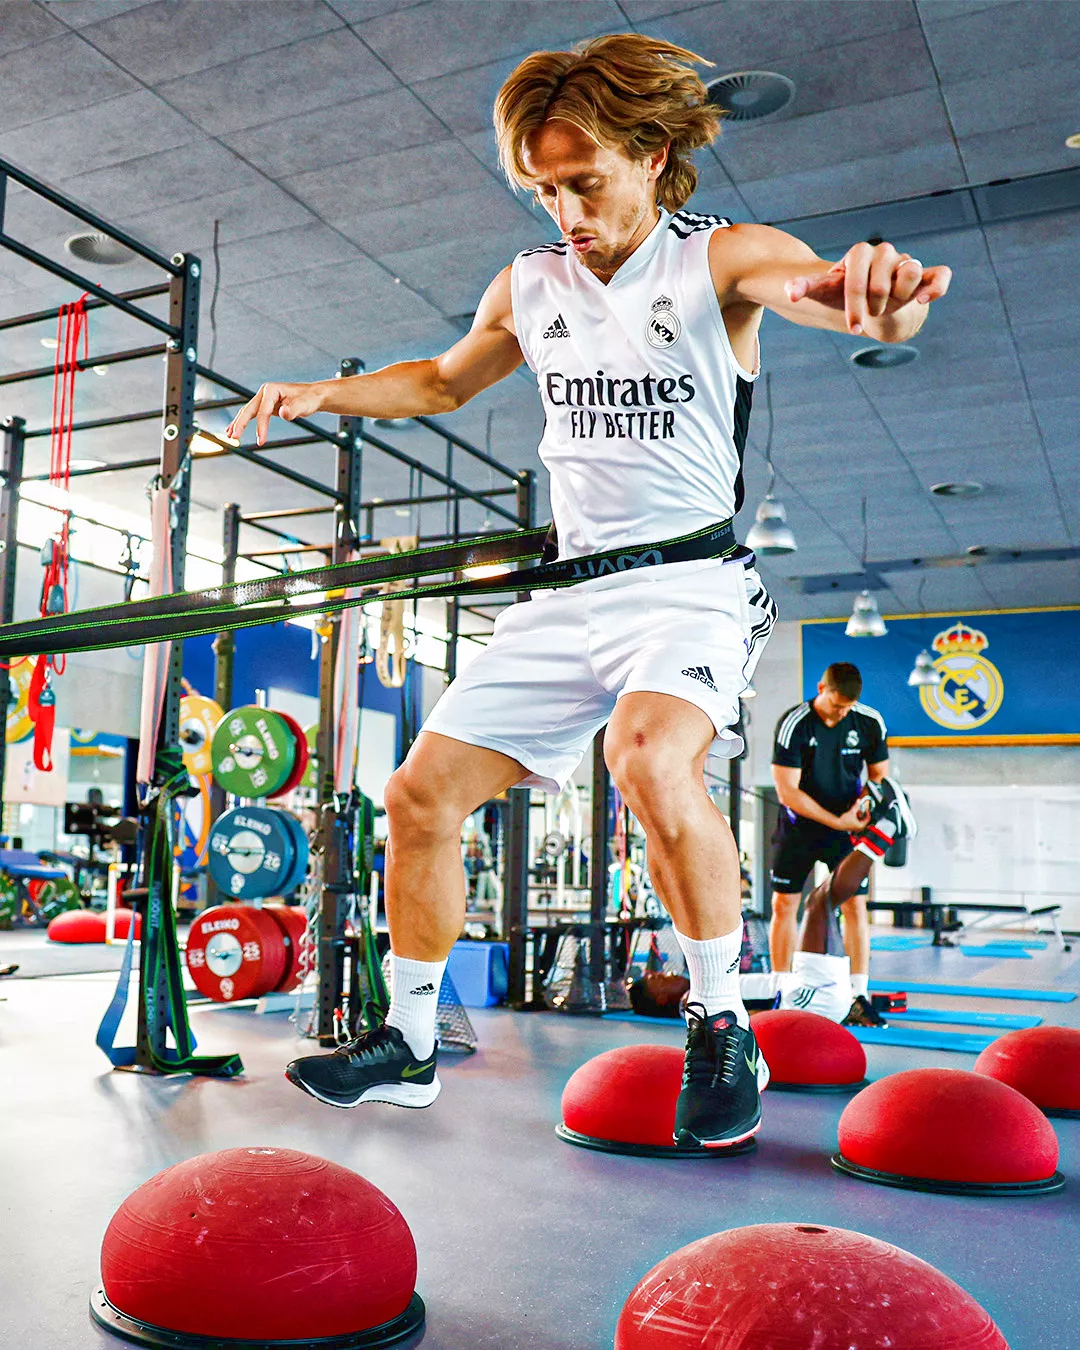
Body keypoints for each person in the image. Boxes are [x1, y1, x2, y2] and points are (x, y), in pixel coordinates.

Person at [225, 35, 950, 1147]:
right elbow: (442, 381)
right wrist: (323, 393)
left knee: (645, 757)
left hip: (689, 584)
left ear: (654, 155)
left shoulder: (721, 260)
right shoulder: (530, 283)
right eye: (545, 190)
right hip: (567, 595)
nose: (566, 210)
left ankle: (723, 1022)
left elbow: (835, 299)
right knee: (418, 796)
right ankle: (408, 1042)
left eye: (585, 181)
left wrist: (888, 304)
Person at [769, 662, 893, 1025]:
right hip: (799, 826)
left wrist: (863, 806)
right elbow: (787, 791)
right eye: (837, 706)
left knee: (855, 905)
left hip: (846, 827)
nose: (841, 714)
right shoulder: (795, 723)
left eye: (847, 708)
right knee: (784, 904)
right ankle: (782, 990)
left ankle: (858, 995)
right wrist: (836, 820)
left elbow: (879, 775)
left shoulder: (868, 721)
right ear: (822, 689)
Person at [777, 776, 917, 1020]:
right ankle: (888, 829)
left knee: (820, 902)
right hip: (813, 1001)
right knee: (818, 903)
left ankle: (887, 829)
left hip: (814, 1000)